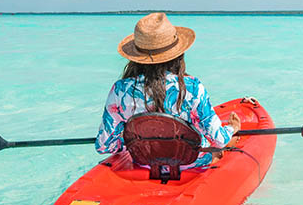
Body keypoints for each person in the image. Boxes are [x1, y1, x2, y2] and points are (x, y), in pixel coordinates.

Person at [95, 12, 240, 169]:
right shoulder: (192, 87)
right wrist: (233, 128)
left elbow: (105, 146)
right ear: (178, 54)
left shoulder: (119, 90)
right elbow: (219, 140)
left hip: (144, 164)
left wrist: (134, 141)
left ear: (136, 57)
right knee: (221, 146)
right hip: (190, 164)